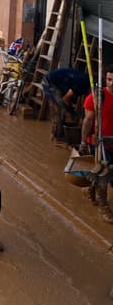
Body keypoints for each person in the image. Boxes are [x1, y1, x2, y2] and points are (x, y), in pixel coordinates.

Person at [79, 65, 113, 223]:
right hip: (99, 143)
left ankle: (90, 189)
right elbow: (88, 121)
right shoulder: (96, 98)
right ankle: (103, 207)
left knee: (103, 174)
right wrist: (83, 142)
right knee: (103, 174)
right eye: (109, 79)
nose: (111, 83)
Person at [44, 68, 91, 143]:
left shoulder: (86, 84)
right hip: (50, 82)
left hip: (61, 83)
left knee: (64, 108)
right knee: (59, 109)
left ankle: (60, 133)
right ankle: (57, 137)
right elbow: (65, 99)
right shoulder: (83, 84)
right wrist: (72, 113)